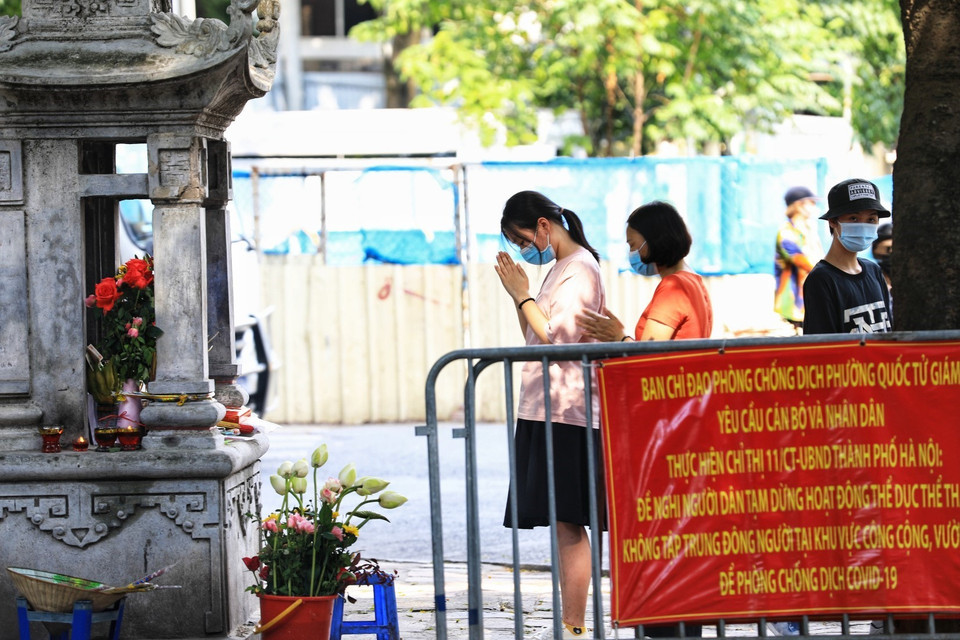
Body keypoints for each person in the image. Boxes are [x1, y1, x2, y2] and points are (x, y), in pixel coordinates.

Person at [494, 190, 606, 639]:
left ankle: (575, 624)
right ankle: (571, 622)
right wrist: (521, 297)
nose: (524, 250)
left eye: (523, 239)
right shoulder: (562, 267)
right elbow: (536, 330)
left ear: (543, 225)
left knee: (570, 520)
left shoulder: (579, 267)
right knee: (563, 521)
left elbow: (557, 337)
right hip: (548, 407)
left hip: (568, 408)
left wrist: (520, 294)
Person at [576, 200, 713, 343]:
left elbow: (650, 352)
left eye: (633, 245)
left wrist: (619, 337)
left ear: (653, 240)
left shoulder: (673, 286)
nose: (632, 253)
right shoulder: (694, 281)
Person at [802, 178, 892, 335]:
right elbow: (820, 346)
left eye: (871, 219)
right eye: (854, 218)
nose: (864, 226)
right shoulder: (821, 279)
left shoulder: (874, 271)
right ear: (833, 221)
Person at [774, 186, 824, 331]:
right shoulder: (786, 232)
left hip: (810, 296)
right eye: (811, 203)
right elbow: (800, 261)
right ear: (799, 205)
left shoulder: (809, 229)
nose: (814, 207)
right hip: (794, 301)